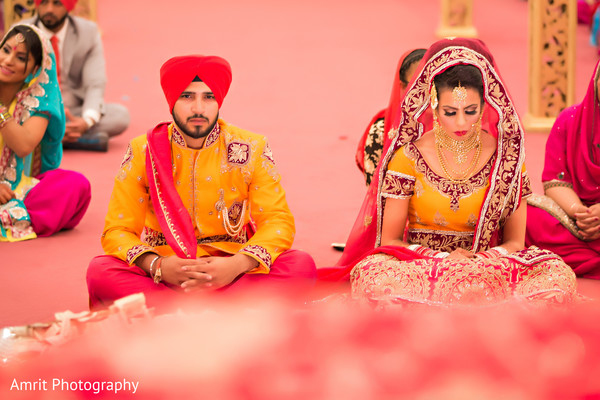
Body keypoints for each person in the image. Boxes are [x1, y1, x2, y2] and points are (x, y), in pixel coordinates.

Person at [318, 38, 577, 305]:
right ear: (434, 104)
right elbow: (391, 240)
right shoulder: (409, 156)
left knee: (556, 280)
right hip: (423, 267)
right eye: (450, 112)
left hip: (484, 269)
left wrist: (478, 262)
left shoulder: (506, 157)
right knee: (376, 280)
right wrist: (443, 260)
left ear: (486, 105)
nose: (462, 122)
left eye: (471, 110)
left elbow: (514, 242)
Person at [86, 55, 317, 310]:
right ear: (171, 100)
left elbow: (278, 220)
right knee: (101, 270)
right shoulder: (144, 151)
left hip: (232, 274)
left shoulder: (250, 147)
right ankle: (223, 312)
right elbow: (117, 230)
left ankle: (178, 312)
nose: (198, 108)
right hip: (165, 276)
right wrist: (158, 265)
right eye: (187, 96)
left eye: (208, 97)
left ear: (219, 100)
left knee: (300, 265)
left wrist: (236, 265)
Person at [0, 24, 90, 241]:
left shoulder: (38, 102)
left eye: (21, 58)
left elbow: (22, 145)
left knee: (76, 185)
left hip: (16, 187)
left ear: (35, 69)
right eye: (5, 50)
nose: (8, 61)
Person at [22, 0, 130, 152]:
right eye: (44, 2)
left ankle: (47, 138)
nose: (49, 9)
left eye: (57, 3)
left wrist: (85, 122)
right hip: (34, 110)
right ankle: (75, 139)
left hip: (72, 111)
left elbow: (95, 83)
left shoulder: (88, 32)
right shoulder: (21, 33)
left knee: (120, 116)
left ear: (68, 6)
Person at [525, 59, 600, 278]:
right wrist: (581, 213)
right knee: (526, 216)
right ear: (595, 79)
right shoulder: (570, 120)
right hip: (576, 219)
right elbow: (554, 181)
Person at [356, 49, 426, 187]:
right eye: (416, 84)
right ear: (402, 87)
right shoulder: (381, 131)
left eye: (432, 83)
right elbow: (374, 192)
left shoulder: (453, 124)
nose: (424, 91)